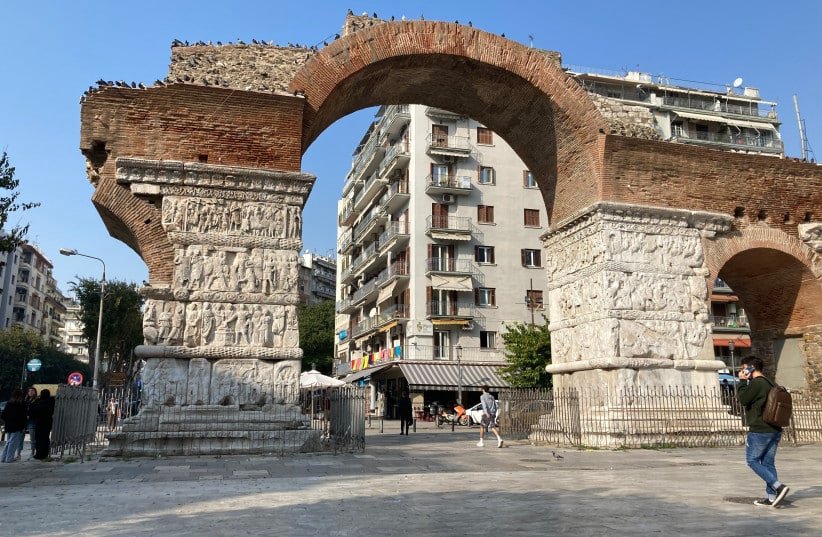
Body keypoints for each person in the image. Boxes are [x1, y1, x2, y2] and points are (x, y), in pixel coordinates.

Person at [737, 356, 790, 507]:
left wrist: (741, 382)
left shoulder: (757, 383)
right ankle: (772, 498)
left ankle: (778, 486)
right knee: (768, 462)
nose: (742, 371)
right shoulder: (770, 382)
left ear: (751, 368)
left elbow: (743, 400)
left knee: (752, 461)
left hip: (760, 429)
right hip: (774, 428)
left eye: (743, 368)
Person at [1, 389, 27, 462]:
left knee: (8, 442)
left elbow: (3, 415)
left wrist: (8, 420)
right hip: (17, 426)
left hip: (9, 425)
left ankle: (3, 457)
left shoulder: (9, 403)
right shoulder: (22, 403)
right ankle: (9, 458)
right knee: (13, 442)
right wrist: (23, 426)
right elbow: (23, 416)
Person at [30, 389, 55, 460]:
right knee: (45, 438)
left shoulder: (41, 402)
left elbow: (33, 411)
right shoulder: (51, 402)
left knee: (39, 438)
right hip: (48, 422)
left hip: (40, 422)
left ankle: (39, 454)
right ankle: (45, 453)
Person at [23, 387, 37, 458]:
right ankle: (19, 452)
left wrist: (30, 414)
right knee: (21, 436)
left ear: (35, 392)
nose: (30, 392)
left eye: (32, 391)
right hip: (24, 420)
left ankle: (32, 451)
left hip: (32, 420)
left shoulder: (36, 400)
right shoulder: (25, 400)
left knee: (32, 437)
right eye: (29, 391)